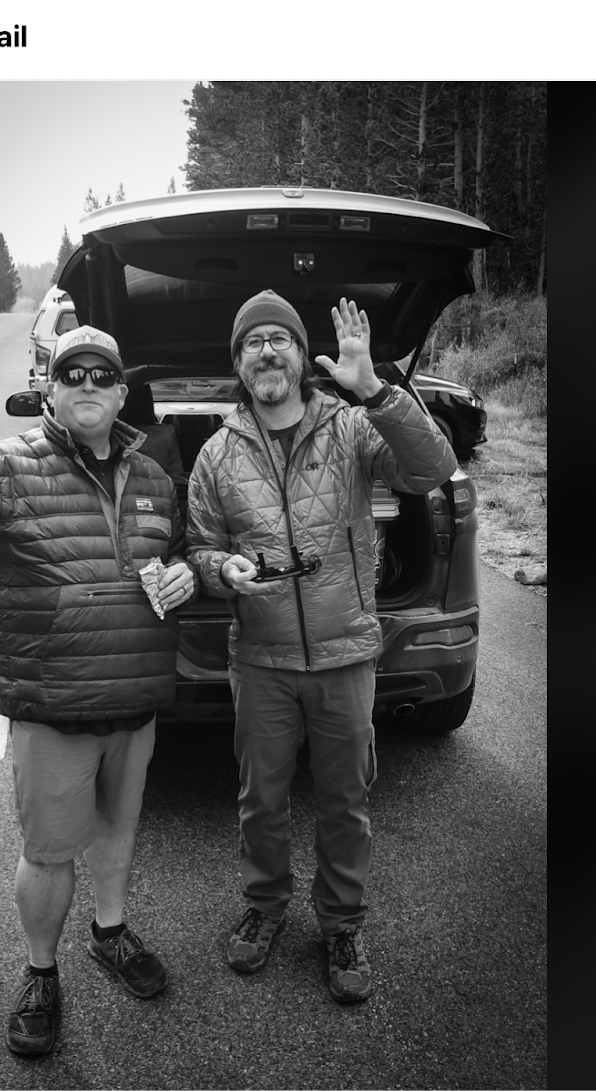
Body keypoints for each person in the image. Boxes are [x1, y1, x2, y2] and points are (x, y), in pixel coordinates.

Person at [0, 325, 196, 1056]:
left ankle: (110, 935)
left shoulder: (156, 479)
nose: (88, 384)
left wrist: (186, 571)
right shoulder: (0, 467)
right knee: (51, 852)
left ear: (122, 392)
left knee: (118, 835)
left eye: (102, 374)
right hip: (53, 705)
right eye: (73, 374)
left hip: (136, 700)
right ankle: (39, 972)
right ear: (51, 392)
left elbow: (180, 554)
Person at [186, 290, 456, 1004]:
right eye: (253, 344)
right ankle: (266, 906)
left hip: (345, 655)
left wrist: (375, 389)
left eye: (280, 340)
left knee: (346, 799)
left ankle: (341, 923)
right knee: (260, 799)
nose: (267, 352)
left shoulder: (351, 429)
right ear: (238, 364)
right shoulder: (216, 454)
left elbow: (430, 469)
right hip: (261, 660)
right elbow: (201, 547)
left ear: (304, 358)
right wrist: (221, 570)